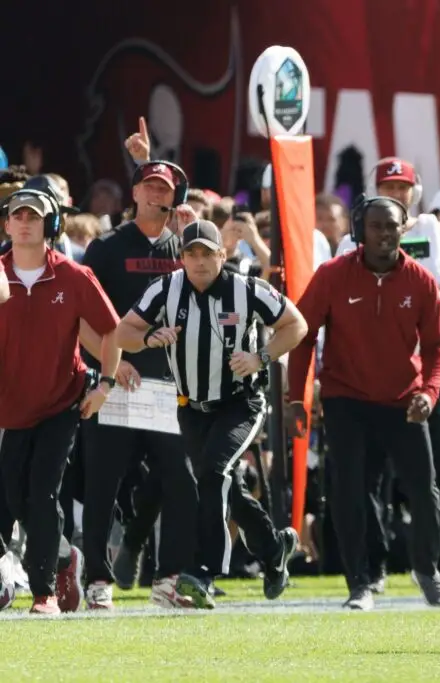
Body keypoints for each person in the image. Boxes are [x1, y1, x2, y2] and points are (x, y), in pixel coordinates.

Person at [115, 220, 307, 609]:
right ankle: (274, 550)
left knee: (214, 473)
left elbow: (296, 324)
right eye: (191, 253)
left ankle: (204, 570)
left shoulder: (247, 288)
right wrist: (151, 337)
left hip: (241, 402)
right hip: (191, 408)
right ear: (182, 257)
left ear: (223, 254)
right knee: (226, 489)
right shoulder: (165, 288)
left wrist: (260, 357)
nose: (199, 261)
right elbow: (123, 333)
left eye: (207, 253)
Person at [287, 196, 440, 611]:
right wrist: (297, 397)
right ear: (360, 230)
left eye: (392, 226)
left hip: (404, 400)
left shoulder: (421, 280)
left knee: (424, 489)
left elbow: (436, 347)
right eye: (376, 226)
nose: (384, 233)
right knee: (349, 491)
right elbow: (303, 336)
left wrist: (429, 393)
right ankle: (359, 582)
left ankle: (428, 572)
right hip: (347, 399)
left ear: (403, 228)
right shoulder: (331, 275)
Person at [80, 160, 202, 610]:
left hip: (169, 388)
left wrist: (197, 239)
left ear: (175, 196)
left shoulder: (188, 248)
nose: (156, 195)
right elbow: (84, 319)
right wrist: (114, 363)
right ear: (134, 192)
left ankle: (167, 578)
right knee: (103, 484)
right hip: (116, 384)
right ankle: (97, 580)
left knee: (181, 482)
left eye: (164, 189)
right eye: (149, 186)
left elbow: (211, 299)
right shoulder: (106, 247)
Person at [0, 189, 121, 615]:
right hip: (9, 409)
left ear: (51, 225)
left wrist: (104, 385)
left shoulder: (73, 275)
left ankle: (43, 592)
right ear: (7, 224)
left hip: (61, 402)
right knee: (12, 498)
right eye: (19, 216)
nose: (26, 223)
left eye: (35, 216)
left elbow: (111, 332)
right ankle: (67, 557)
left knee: (42, 494)